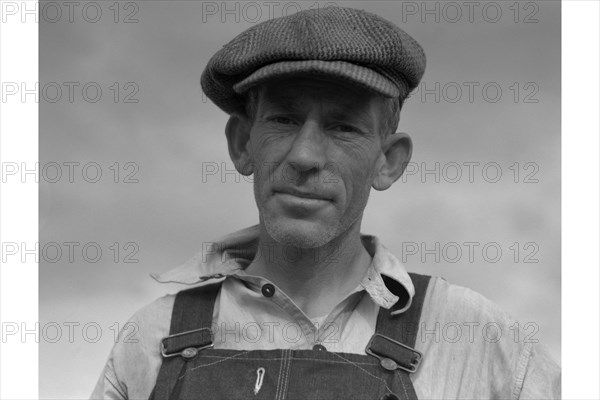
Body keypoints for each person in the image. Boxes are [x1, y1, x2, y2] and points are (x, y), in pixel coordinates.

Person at [91, 6, 560, 400]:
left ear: (388, 162)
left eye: (343, 127)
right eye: (284, 119)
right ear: (241, 144)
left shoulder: (482, 341)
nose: (305, 156)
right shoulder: (151, 339)